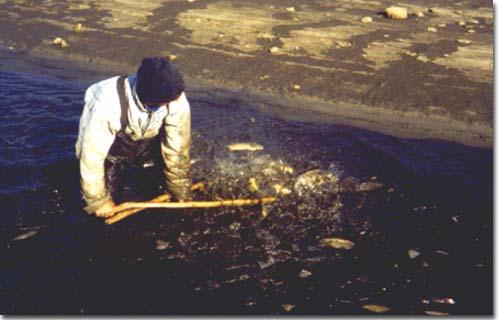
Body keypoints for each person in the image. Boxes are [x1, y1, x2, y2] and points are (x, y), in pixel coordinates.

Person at [75, 57, 192, 218]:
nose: (169, 105)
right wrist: (98, 201)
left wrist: (180, 189)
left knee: (154, 182)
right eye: (163, 103)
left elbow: (176, 147)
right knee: (109, 195)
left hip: (149, 140)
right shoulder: (105, 103)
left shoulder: (175, 96)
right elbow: (91, 156)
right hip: (114, 146)